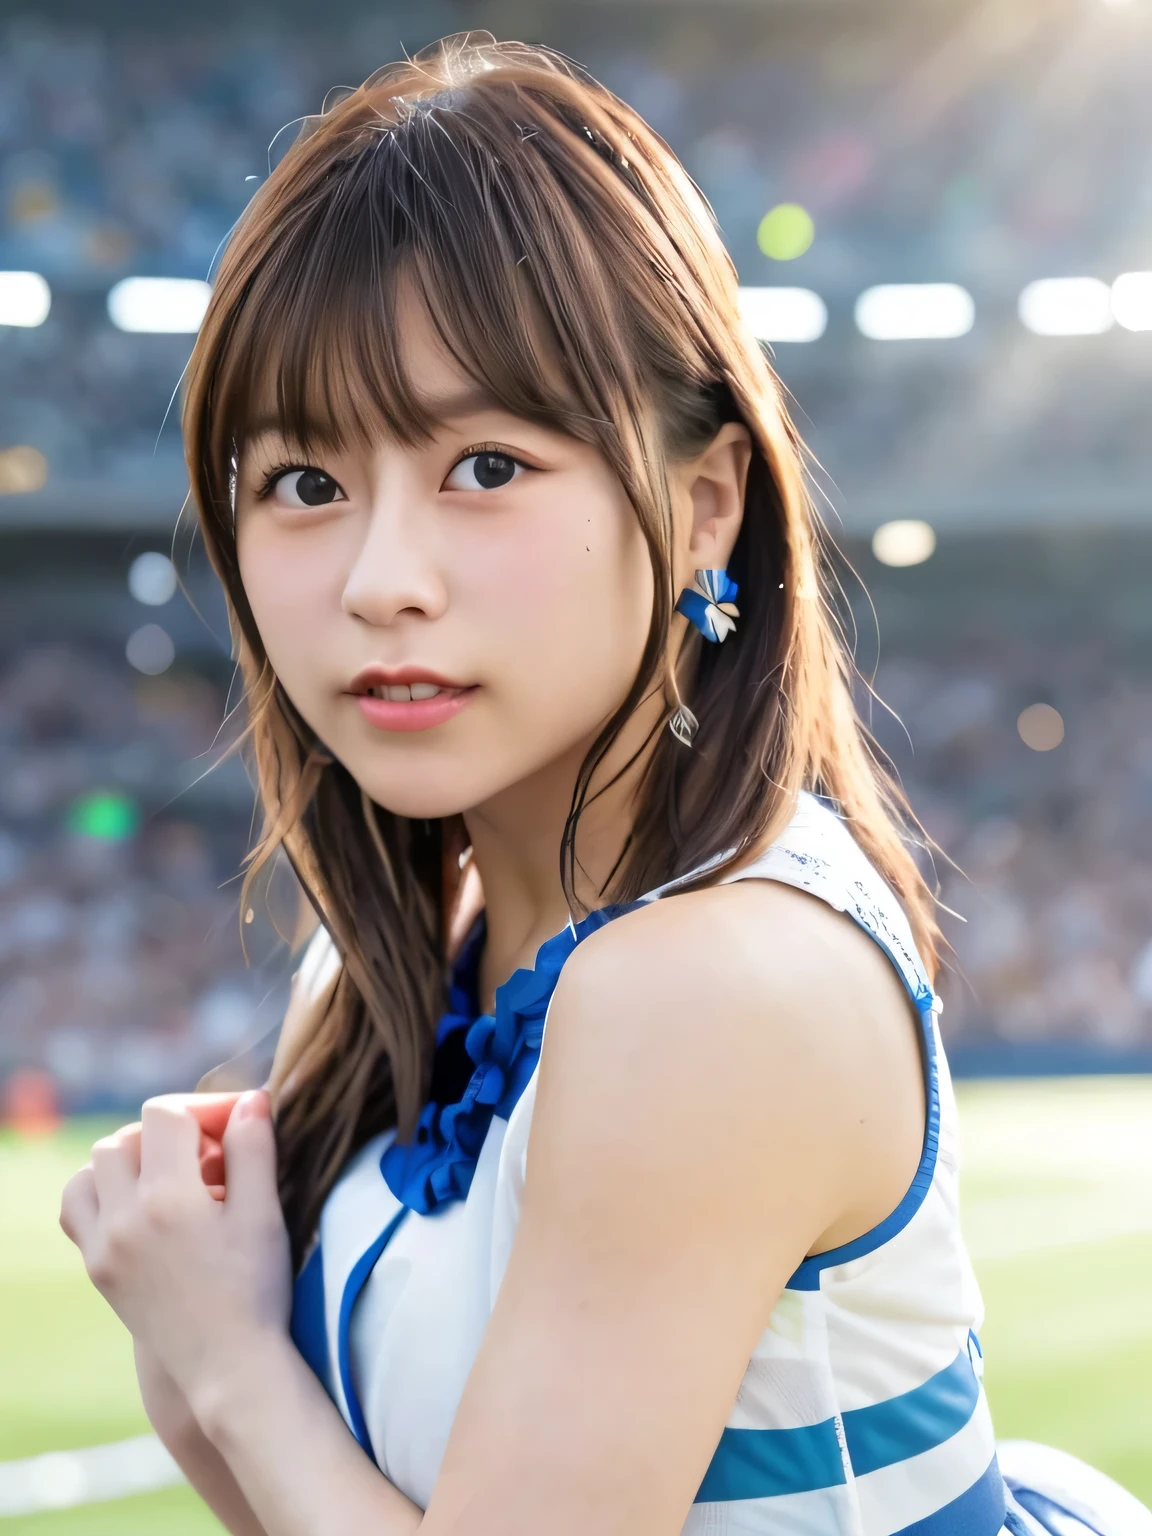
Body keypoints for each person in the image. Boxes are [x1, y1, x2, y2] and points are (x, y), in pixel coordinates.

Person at [59, 34, 1152, 1536]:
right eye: (303, 485)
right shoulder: (392, 953)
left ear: (705, 506)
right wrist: (207, 1373)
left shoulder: (711, 986)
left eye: (488, 465)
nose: (382, 582)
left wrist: (225, 1355)